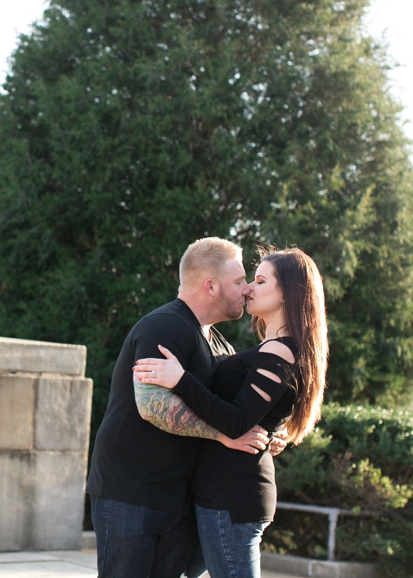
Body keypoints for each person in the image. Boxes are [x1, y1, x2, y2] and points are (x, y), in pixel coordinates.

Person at [86, 238, 284, 578]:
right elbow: (151, 404)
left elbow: (229, 407)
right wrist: (225, 435)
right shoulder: (164, 327)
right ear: (210, 286)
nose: (247, 288)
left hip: (179, 497)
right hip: (131, 491)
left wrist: (270, 433)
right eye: (239, 281)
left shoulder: (219, 342)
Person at [133, 248, 329, 578]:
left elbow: (237, 421)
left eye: (261, 280)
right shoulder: (273, 349)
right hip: (222, 495)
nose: (250, 287)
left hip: (232, 498)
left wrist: (180, 379)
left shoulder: (280, 351)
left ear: (287, 293)